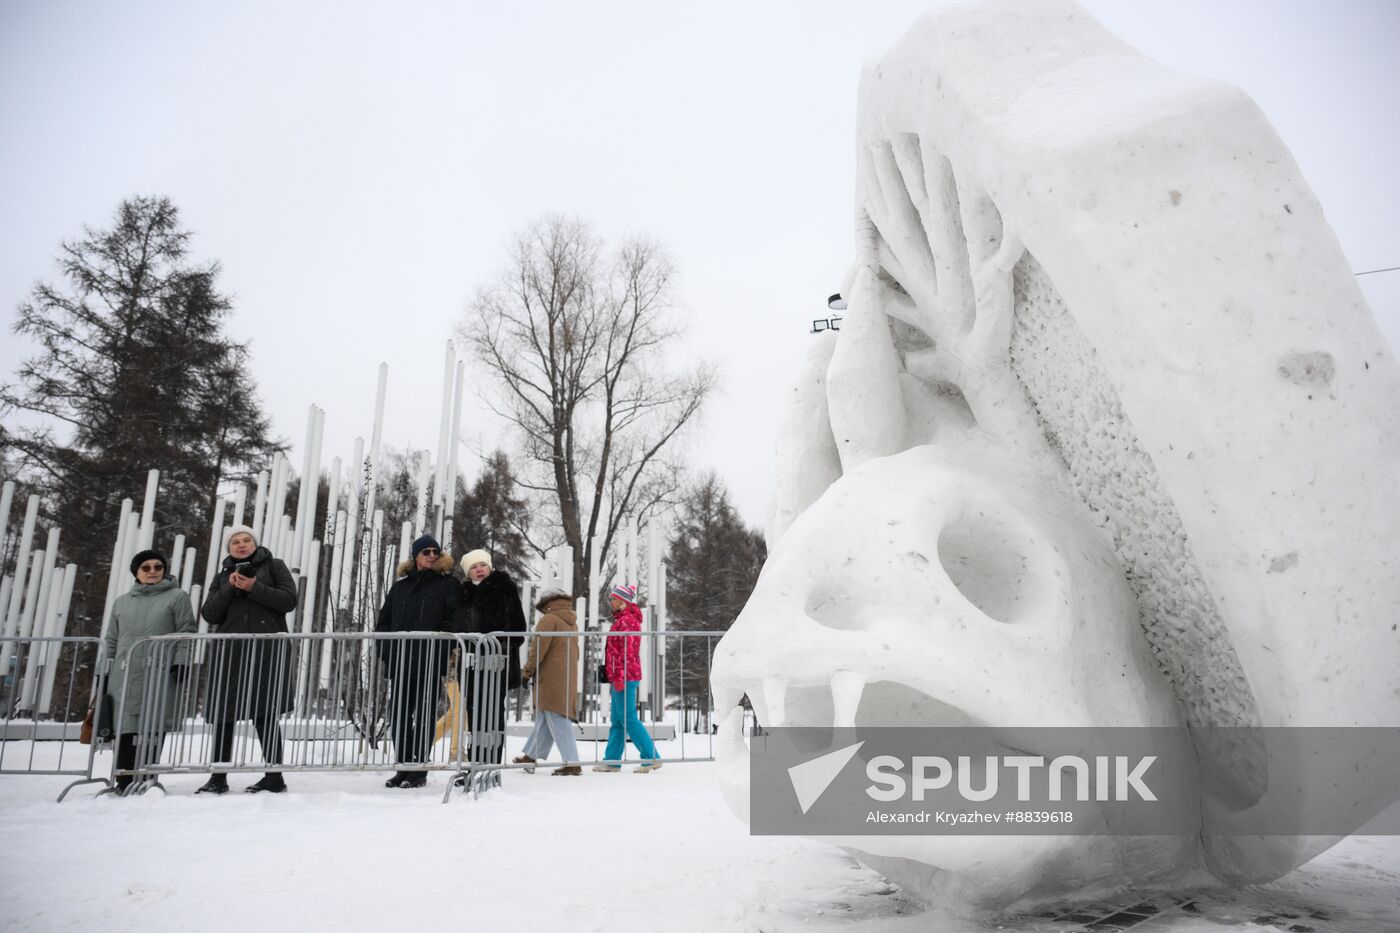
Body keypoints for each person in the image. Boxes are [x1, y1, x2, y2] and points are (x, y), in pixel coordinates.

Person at [197, 525, 298, 795]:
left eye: (246, 540)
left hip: (267, 650)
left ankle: (274, 776)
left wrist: (255, 587)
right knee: (223, 714)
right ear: (228, 549)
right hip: (230, 652)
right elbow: (210, 614)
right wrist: (229, 588)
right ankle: (218, 777)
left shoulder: (275, 566)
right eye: (235, 542)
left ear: (255, 544)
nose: (241, 545)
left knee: (265, 713)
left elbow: (289, 600)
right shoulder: (222, 576)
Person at [104, 548, 197, 793]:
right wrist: (104, 671)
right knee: (125, 725)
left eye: (158, 566)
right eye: (146, 567)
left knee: (153, 722)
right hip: (124, 672)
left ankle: (147, 777)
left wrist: (182, 661)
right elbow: (112, 639)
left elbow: (186, 631)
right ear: (137, 571)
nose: (153, 571)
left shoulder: (177, 596)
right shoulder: (122, 602)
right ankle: (123, 779)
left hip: (159, 670)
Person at [376, 534, 461, 789]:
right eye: (426, 552)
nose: (432, 556)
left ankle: (419, 767)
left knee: (424, 716)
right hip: (401, 661)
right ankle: (404, 765)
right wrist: (386, 651)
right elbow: (384, 621)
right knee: (399, 715)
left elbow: (452, 621)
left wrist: (441, 650)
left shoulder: (448, 585)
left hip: (429, 661)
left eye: (436, 552)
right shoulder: (400, 587)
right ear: (416, 556)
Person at [454, 548, 527, 763]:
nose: (479, 570)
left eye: (482, 565)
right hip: (471, 664)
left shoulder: (503, 586)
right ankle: (475, 763)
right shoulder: (463, 593)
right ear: (468, 572)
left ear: (490, 567)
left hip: (496, 664)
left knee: (493, 715)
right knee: (474, 715)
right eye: (474, 567)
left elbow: (517, 628)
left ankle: (491, 763)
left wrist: (498, 649)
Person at [514, 588, 582, 776]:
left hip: (551, 675)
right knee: (548, 715)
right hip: (566, 673)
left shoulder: (549, 619)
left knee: (556, 715)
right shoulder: (571, 621)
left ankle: (572, 762)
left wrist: (527, 672)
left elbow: (538, 649)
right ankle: (531, 755)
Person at [597, 583, 661, 773]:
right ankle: (612, 760)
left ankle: (651, 757)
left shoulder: (627, 622)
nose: (612, 602)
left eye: (615, 599)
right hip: (622, 675)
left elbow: (626, 653)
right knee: (618, 720)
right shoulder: (623, 620)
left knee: (628, 719)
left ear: (624, 602)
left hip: (625, 677)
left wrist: (619, 676)